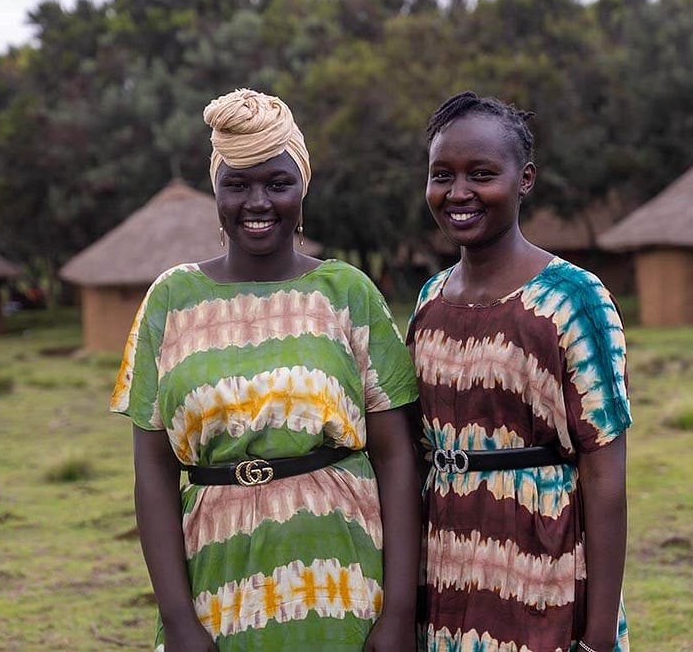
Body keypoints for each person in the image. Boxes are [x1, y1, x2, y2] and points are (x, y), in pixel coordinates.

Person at [111, 88, 421, 652]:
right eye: (238, 184)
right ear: (216, 193)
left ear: (302, 189)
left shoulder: (346, 293)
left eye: (278, 184)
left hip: (342, 573)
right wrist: (179, 621)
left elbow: (398, 456)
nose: (258, 202)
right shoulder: (171, 300)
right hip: (217, 577)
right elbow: (152, 474)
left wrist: (399, 611)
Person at [407, 92, 631, 652]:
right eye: (442, 175)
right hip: (446, 568)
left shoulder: (574, 299)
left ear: (524, 179)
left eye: (481, 174)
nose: (458, 193)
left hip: (543, 568)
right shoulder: (429, 300)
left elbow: (606, 476)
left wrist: (599, 637)